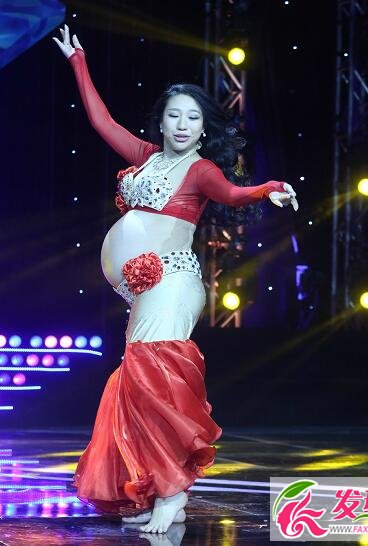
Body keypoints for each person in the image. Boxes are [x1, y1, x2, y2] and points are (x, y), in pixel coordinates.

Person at [53, 24, 299, 534]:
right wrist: (78, 61)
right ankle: (155, 488)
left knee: (153, 377)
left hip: (173, 281)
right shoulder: (146, 157)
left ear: (203, 128)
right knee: (139, 383)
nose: (183, 124)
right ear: (162, 122)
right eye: (174, 115)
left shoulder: (201, 170)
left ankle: (172, 491)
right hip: (143, 288)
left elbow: (233, 194)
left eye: (193, 117)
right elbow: (101, 121)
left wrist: (269, 188)